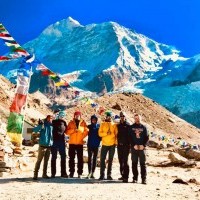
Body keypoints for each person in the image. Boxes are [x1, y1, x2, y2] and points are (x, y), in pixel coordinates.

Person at [66, 111, 88, 178]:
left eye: (78, 115)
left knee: (80, 159)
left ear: (80, 116)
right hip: (72, 143)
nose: (77, 117)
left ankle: (80, 173)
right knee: (71, 158)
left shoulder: (83, 123)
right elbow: (67, 132)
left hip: (80, 143)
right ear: (74, 116)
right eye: (76, 115)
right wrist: (73, 130)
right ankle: (71, 172)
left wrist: (82, 137)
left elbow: (86, 131)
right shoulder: (70, 123)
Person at [129, 113, 149, 184]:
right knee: (134, 163)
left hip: (142, 148)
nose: (137, 119)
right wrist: (133, 145)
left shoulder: (144, 127)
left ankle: (144, 179)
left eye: (138, 118)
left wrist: (143, 145)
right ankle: (135, 178)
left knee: (142, 164)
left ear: (141, 119)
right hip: (134, 148)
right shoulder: (131, 127)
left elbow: (147, 137)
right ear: (134, 119)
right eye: (136, 118)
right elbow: (130, 137)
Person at [33, 115, 53, 180]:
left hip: (49, 146)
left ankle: (44, 174)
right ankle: (35, 174)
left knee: (46, 161)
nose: (50, 119)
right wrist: (40, 125)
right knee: (39, 160)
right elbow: (35, 130)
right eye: (49, 118)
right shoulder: (43, 125)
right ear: (47, 118)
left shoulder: (52, 126)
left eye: (51, 118)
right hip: (42, 146)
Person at [98, 111, 117, 180]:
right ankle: (102, 175)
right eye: (107, 116)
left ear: (111, 117)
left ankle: (109, 175)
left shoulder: (114, 125)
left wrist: (115, 142)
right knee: (102, 159)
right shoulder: (102, 124)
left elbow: (116, 134)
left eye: (110, 116)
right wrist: (106, 133)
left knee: (110, 160)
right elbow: (100, 134)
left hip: (112, 145)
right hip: (104, 144)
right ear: (106, 117)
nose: (108, 117)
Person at [51, 111, 68, 178]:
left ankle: (63, 173)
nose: (62, 117)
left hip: (62, 142)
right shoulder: (53, 122)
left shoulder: (64, 123)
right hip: (54, 142)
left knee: (63, 157)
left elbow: (66, 131)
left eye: (63, 116)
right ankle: (53, 173)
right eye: (61, 115)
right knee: (54, 157)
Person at [116, 111, 130, 183]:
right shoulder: (118, 125)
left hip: (126, 146)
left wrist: (129, 145)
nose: (122, 118)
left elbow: (130, 136)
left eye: (123, 116)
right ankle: (122, 174)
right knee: (120, 161)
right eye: (121, 116)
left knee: (125, 161)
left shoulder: (128, 125)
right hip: (119, 146)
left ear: (125, 117)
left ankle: (126, 177)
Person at [87, 115, 101, 179]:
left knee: (95, 159)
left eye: (95, 120)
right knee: (90, 158)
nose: (93, 121)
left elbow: (101, 135)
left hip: (96, 145)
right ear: (91, 120)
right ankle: (89, 172)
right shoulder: (89, 126)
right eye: (92, 119)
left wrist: (99, 141)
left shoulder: (99, 126)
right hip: (89, 144)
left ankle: (93, 172)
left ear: (96, 120)